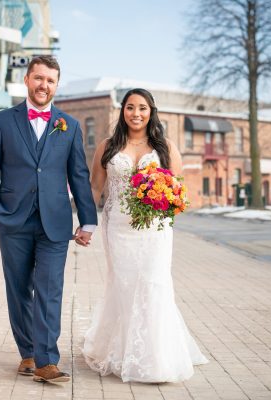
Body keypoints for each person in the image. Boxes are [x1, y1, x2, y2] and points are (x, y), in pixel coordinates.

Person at [0, 55, 97, 384]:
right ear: (27, 80)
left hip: (55, 223)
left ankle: (47, 360)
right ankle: (28, 352)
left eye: (50, 80)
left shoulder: (69, 126)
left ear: (56, 85)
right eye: (39, 78)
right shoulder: (1, 121)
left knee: (50, 289)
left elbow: (78, 175)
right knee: (19, 289)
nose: (44, 85)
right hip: (12, 220)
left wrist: (87, 221)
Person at [82, 88, 208, 382]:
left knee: (154, 284)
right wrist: (86, 223)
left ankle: (156, 358)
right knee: (124, 286)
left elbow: (178, 191)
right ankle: (121, 351)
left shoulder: (164, 147)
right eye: (130, 107)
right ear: (122, 111)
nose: (136, 113)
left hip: (155, 230)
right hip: (118, 229)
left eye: (142, 108)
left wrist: (162, 199)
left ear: (151, 112)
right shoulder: (108, 147)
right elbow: (95, 188)